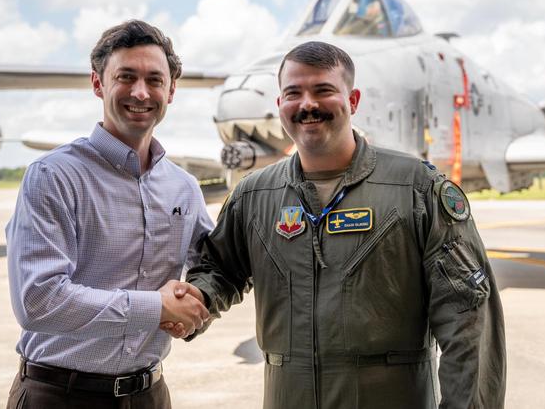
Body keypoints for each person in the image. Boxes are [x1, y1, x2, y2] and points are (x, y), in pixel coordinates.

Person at [179, 41, 506, 408]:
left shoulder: (417, 189)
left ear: (352, 101)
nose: (307, 105)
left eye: (323, 90)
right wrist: (198, 299)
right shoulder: (254, 195)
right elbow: (220, 269)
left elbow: (468, 322)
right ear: (280, 105)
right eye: (294, 93)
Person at [5, 20, 212, 409]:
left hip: (150, 394)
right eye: (126, 77)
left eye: (154, 79)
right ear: (98, 84)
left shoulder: (184, 187)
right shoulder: (53, 176)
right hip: (59, 395)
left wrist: (196, 309)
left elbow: (213, 265)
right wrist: (158, 307)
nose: (140, 92)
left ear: (171, 89)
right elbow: (38, 300)